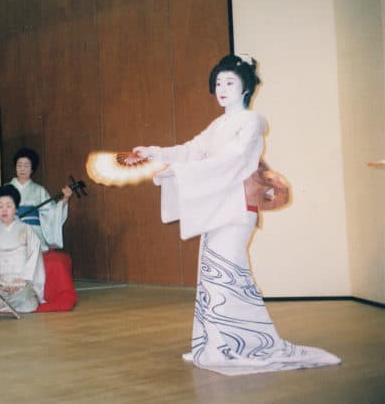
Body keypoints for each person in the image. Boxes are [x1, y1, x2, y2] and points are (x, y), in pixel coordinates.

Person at [131, 54, 341, 376]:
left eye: (229, 82)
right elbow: (191, 149)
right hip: (218, 206)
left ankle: (238, 345)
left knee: (227, 275)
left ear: (245, 87)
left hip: (236, 207)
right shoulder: (219, 124)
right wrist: (154, 153)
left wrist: (178, 169)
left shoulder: (252, 121)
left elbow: (231, 159)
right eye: (218, 83)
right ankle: (215, 344)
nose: (222, 88)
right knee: (214, 277)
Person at [0, 148, 72, 251]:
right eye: (19, 165)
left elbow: (52, 212)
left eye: (26, 166)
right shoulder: (5, 189)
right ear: (15, 167)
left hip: (33, 233)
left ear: (32, 169)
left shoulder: (39, 190)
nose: (22, 169)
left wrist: (65, 198)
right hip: (8, 231)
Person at [0, 184, 45, 314]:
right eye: (0, 206)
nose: (4, 210)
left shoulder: (26, 229)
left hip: (21, 282)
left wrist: (21, 280)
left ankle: (10, 303)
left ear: (16, 208)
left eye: (9, 206)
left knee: (25, 299)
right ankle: (7, 303)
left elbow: (33, 257)